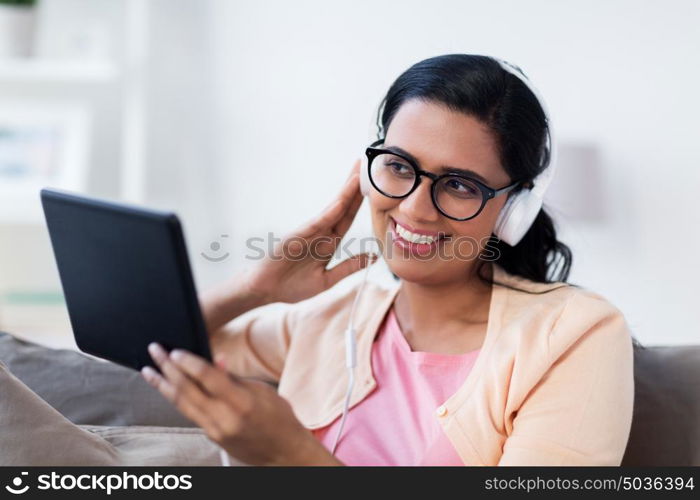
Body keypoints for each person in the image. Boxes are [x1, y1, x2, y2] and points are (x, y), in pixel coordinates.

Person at [141, 54, 636, 466]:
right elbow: (152, 346)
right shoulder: (336, 316)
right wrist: (255, 288)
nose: (414, 208)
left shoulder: (575, 335)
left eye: (460, 184)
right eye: (399, 166)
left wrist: (292, 457)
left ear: (514, 209)